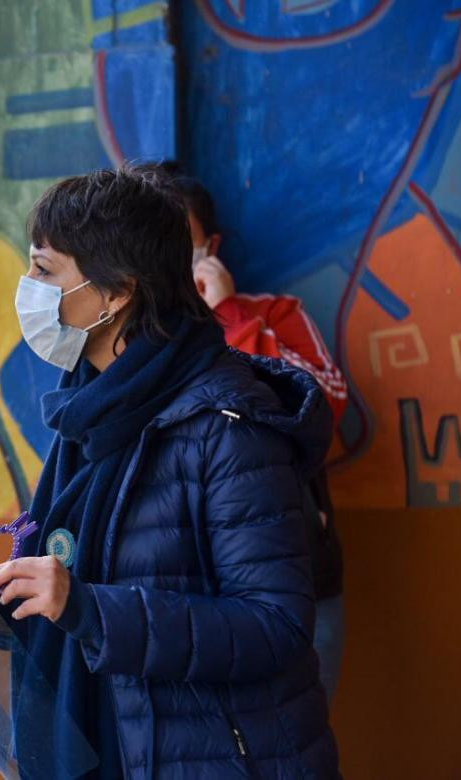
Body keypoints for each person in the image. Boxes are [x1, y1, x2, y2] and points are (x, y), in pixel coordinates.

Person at [0, 164, 339, 777]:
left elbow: (274, 627)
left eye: (44, 269)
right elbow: (83, 595)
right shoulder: (89, 412)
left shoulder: (225, 425)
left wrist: (88, 608)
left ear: (117, 292)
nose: (27, 287)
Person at [167, 167, 349, 702]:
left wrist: (229, 318)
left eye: (183, 239)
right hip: (179, 600)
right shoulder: (137, 343)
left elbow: (326, 408)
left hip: (300, 580)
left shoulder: (275, 314)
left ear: (211, 246)